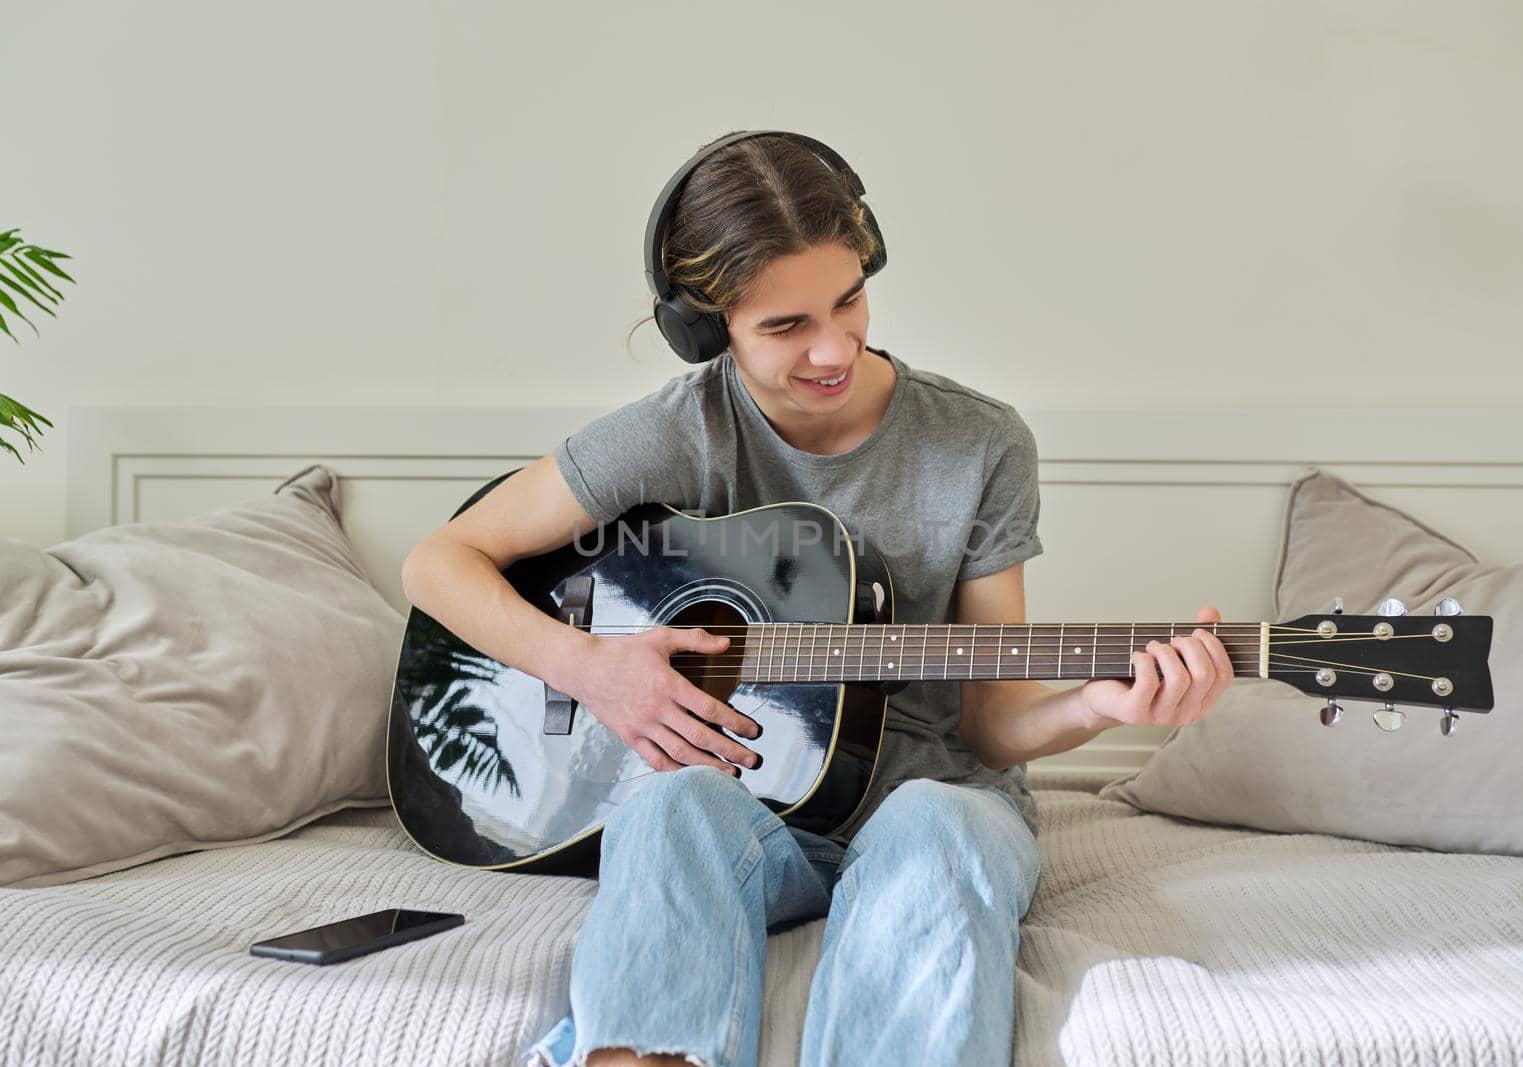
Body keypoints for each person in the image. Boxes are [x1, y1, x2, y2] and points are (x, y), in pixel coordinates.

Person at [399, 130, 1237, 1067]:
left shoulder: (982, 442)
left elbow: (993, 724)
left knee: (937, 815)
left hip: (941, 804)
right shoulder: (681, 431)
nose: (834, 347)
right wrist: (590, 667)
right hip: (755, 817)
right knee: (666, 806)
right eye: (785, 326)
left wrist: (1097, 704)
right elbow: (439, 562)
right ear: (709, 326)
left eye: (849, 300)